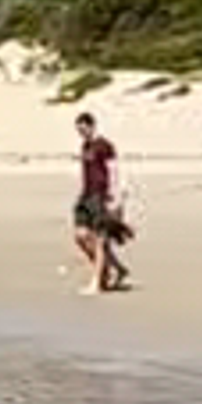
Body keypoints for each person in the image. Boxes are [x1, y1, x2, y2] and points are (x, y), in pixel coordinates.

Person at [69, 109, 132, 292]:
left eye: (83, 129)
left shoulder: (104, 145)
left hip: (102, 197)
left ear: (91, 126)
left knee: (100, 241)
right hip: (86, 196)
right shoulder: (85, 147)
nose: (81, 133)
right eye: (78, 130)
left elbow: (114, 170)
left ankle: (97, 281)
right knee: (80, 236)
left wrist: (118, 197)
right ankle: (118, 269)